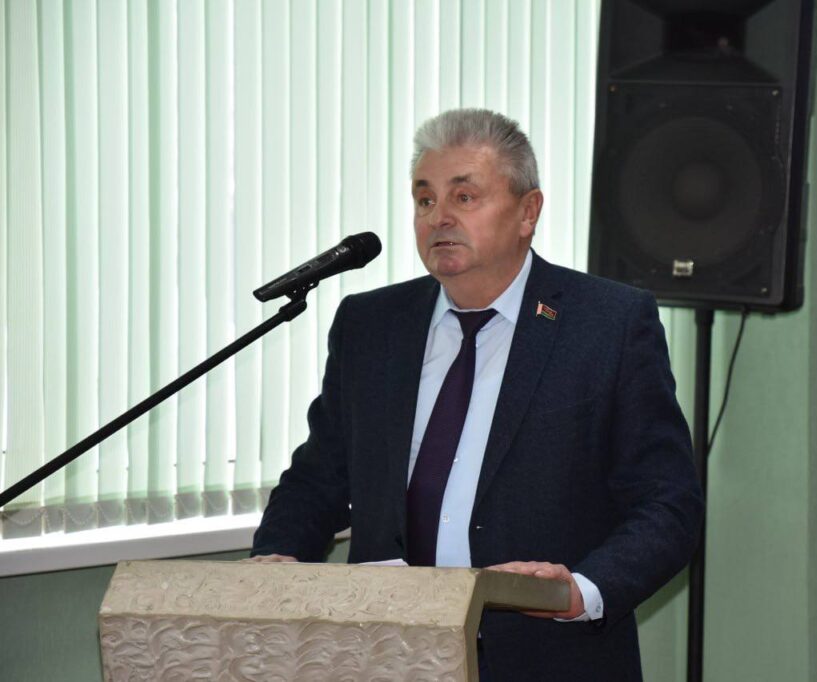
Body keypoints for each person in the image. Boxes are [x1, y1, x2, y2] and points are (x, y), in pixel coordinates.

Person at [251, 108, 703, 680]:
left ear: (528, 211)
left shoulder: (607, 324)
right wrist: (276, 560)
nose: (439, 217)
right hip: (387, 653)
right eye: (424, 199)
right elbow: (319, 478)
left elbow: (667, 504)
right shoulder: (371, 325)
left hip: (546, 656)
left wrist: (583, 589)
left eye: (464, 197)